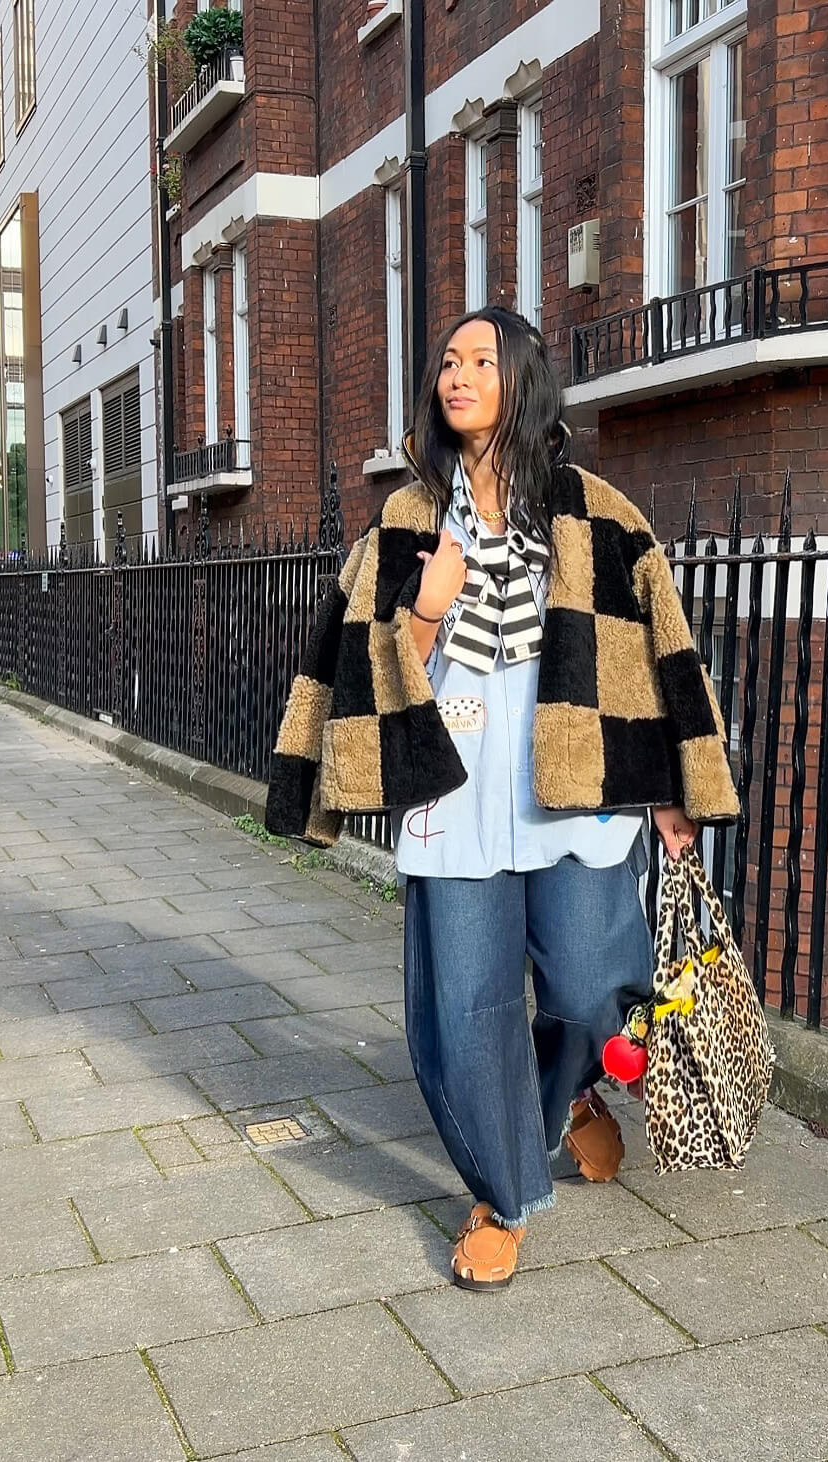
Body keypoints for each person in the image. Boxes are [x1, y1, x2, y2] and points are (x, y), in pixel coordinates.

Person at [267, 306, 739, 1290]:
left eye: (481, 360)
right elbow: (349, 666)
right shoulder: (406, 518)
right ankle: (503, 1195)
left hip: (578, 789)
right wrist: (427, 607)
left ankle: (566, 1097)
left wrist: (672, 788)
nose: (458, 375)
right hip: (454, 793)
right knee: (465, 1006)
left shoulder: (600, 512)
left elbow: (662, 653)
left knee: (591, 984)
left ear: (523, 379)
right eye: (449, 361)